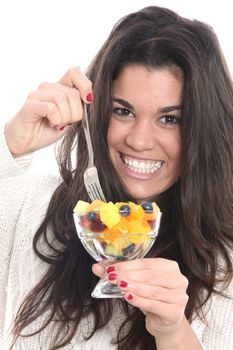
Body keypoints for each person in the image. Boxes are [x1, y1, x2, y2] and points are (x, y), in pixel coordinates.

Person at [1, 5, 233, 350]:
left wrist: (173, 332)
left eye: (170, 119)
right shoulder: (34, 207)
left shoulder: (224, 266)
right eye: (123, 111)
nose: (139, 141)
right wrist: (12, 145)